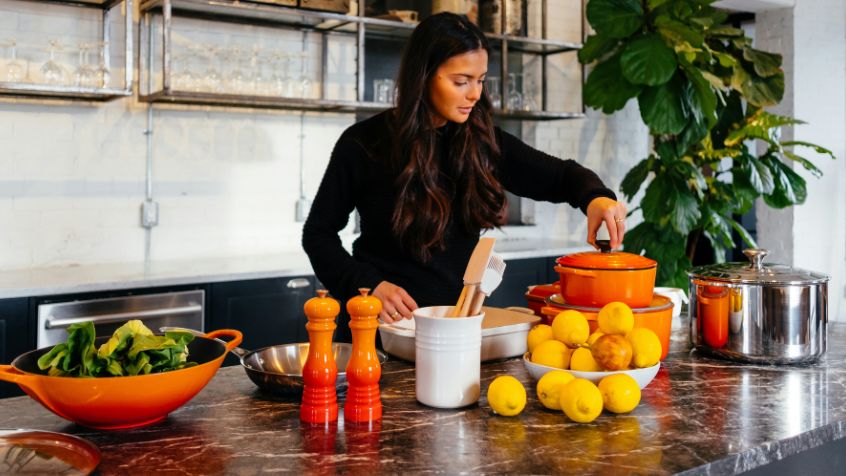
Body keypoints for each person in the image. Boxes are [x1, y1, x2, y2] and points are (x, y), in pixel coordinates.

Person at [302, 12, 627, 333]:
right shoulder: (364, 143)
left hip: (453, 333)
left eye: (480, 80)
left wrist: (596, 198)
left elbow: (563, 177)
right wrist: (368, 285)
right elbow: (318, 234)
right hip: (376, 334)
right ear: (424, 75)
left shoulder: (483, 142)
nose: (475, 94)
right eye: (461, 81)